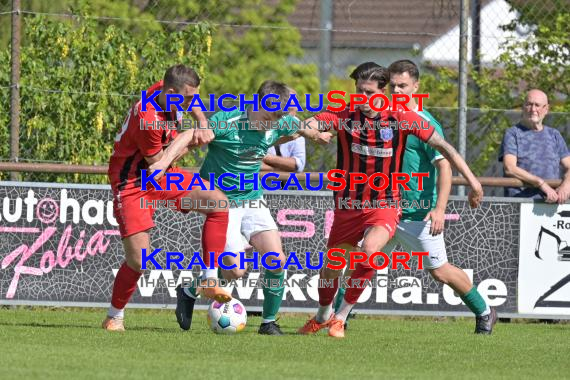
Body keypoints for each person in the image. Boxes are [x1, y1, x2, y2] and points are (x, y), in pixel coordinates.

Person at [297, 62, 484, 338]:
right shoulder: (345, 112)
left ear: (382, 92)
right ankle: (323, 315)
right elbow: (308, 123)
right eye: (358, 90)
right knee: (333, 265)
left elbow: (445, 149)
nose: (362, 97)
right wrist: (311, 131)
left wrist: (474, 181)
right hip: (348, 205)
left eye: (368, 92)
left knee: (370, 254)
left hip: (385, 204)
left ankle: (340, 318)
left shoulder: (403, 117)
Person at [149, 80, 331, 335]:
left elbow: (298, 126)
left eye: (274, 120)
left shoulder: (278, 122)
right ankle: (189, 290)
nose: (269, 125)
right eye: (267, 117)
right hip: (224, 204)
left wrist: (317, 134)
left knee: (276, 261)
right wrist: (163, 161)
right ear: (256, 103)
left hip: (253, 199)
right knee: (235, 270)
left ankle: (268, 322)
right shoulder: (229, 121)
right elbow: (190, 135)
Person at [103, 64, 232, 332]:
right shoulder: (148, 119)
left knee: (218, 203)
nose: (190, 102)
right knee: (138, 260)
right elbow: (157, 165)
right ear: (171, 91)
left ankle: (208, 280)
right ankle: (114, 316)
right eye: (186, 98)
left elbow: (192, 103)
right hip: (133, 183)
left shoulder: (165, 91)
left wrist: (202, 123)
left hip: (162, 172)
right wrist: (188, 137)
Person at [499, 89, 570, 203]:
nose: (533, 109)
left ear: (546, 109)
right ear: (523, 107)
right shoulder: (512, 133)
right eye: (529, 104)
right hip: (520, 204)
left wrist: (566, 185)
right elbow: (510, 168)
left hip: (550, 204)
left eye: (537, 105)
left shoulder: (554, 135)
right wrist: (541, 184)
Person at [262, 88, 306, 173]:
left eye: (292, 110)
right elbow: (252, 163)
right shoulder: (260, 124)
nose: (290, 116)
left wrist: (266, 158)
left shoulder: (297, 126)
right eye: (287, 109)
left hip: (289, 185)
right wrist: (281, 168)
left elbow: (298, 165)